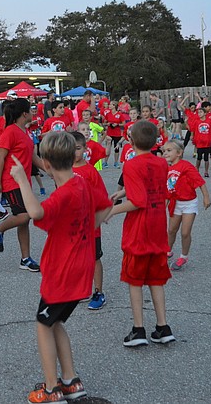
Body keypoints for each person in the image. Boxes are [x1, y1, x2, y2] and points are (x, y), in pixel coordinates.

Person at [11, 132, 110, 404]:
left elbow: (36, 213)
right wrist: (86, 231)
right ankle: (70, 380)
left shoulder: (63, 194)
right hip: (82, 266)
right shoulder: (81, 182)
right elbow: (106, 206)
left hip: (62, 271)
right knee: (55, 322)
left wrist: (22, 180)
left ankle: (52, 389)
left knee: (43, 324)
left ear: (46, 164)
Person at [107, 120, 175, 347]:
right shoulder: (161, 163)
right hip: (157, 226)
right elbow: (154, 187)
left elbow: (137, 201)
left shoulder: (131, 165)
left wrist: (111, 211)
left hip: (139, 229)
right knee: (156, 279)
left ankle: (138, 329)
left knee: (134, 280)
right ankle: (163, 327)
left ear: (130, 141)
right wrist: (124, 191)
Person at [0, 99, 42, 272]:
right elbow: (0, 158)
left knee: (24, 222)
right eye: (31, 110)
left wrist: (50, 169)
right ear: (24, 114)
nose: (33, 112)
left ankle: (25, 259)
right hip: (11, 181)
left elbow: (33, 157)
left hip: (24, 182)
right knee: (25, 216)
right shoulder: (10, 132)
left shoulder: (26, 132)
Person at [70, 132, 113, 311]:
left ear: (85, 149)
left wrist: (102, 215)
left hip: (89, 224)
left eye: (78, 148)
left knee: (94, 258)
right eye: (70, 148)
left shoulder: (90, 171)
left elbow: (102, 197)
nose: (74, 152)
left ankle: (98, 292)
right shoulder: (63, 170)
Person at [162, 139, 211, 271]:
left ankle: (184, 256)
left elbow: (199, 181)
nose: (165, 153)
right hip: (175, 202)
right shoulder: (166, 168)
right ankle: (167, 252)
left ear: (179, 153)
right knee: (171, 230)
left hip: (189, 203)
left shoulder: (186, 166)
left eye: (169, 150)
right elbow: (167, 190)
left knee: (185, 232)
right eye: (164, 151)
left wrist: (206, 197)